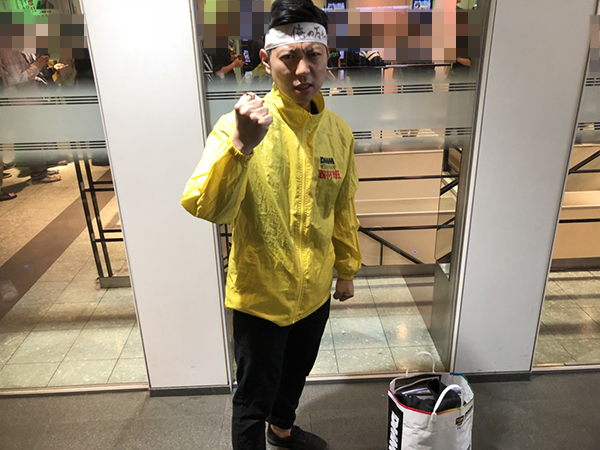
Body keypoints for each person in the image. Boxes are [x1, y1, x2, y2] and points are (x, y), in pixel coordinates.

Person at [181, 0, 362, 448]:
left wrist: (347, 269)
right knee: (252, 396)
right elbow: (205, 206)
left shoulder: (338, 132)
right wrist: (241, 146)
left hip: (315, 289)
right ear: (266, 60)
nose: (302, 70)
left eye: (313, 55)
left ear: (328, 56)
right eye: (288, 57)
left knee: (296, 373)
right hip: (261, 295)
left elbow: (342, 207)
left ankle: (282, 430)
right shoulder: (239, 124)